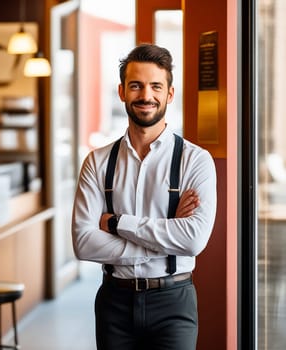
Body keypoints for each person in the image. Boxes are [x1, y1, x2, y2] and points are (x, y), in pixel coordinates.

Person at [71, 43, 217, 350]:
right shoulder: (97, 162)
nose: (146, 96)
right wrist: (165, 240)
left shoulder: (195, 160)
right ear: (122, 92)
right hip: (115, 301)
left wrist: (116, 223)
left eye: (155, 86)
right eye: (136, 86)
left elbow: (192, 241)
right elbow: (84, 243)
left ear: (170, 94)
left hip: (173, 303)